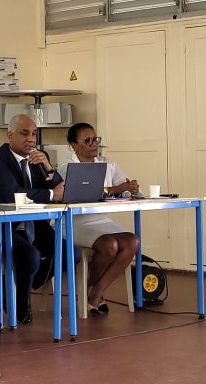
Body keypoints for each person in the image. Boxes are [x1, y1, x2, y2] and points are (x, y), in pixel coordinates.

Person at [0, 114, 65, 324]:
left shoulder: (38, 158)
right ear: (10, 135)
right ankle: (20, 301)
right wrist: (51, 195)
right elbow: (13, 194)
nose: (30, 139)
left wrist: (48, 167)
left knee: (69, 252)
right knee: (30, 256)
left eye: (34, 134)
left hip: (33, 226)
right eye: (24, 133)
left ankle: (22, 286)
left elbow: (61, 188)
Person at [59, 123, 139, 315]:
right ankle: (92, 293)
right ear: (73, 145)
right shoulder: (67, 167)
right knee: (109, 245)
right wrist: (115, 189)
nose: (93, 143)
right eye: (87, 141)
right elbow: (83, 193)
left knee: (132, 241)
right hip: (74, 222)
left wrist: (132, 188)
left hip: (101, 220)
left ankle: (96, 290)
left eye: (95, 139)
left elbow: (124, 187)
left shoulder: (107, 164)